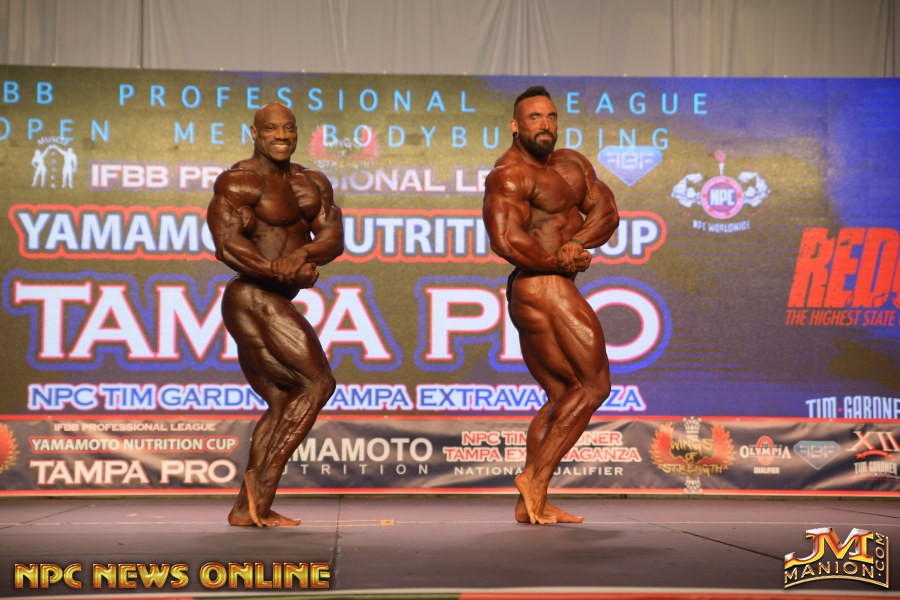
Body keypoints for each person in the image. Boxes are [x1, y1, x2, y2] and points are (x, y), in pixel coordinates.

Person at [482, 86, 619, 525]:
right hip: (540, 285)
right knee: (594, 386)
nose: (545, 125)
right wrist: (558, 260)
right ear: (515, 126)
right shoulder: (508, 175)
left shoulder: (572, 164)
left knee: (564, 394)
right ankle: (535, 479)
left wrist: (576, 242)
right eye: (534, 117)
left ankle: (531, 503)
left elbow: (607, 211)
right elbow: (506, 240)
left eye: (551, 117)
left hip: (549, 283)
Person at [207, 102, 344, 527]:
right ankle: (262, 486)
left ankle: (247, 509)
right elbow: (227, 244)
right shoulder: (239, 181)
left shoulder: (311, 182)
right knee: (318, 383)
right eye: (271, 129)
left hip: (272, 297)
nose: (282, 136)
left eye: (289, 128)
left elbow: (333, 236)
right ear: (255, 133)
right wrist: (278, 269)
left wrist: (302, 254)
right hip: (251, 296)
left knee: (285, 399)